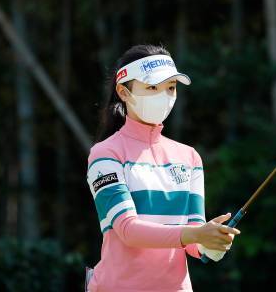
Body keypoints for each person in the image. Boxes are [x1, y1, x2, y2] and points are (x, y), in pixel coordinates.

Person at [85, 44, 241, 292]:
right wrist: (196, 235)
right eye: (151, 87)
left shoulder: (189, 157)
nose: (164, 96)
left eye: (170, 88)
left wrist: (211, 243)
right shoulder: (105, 154)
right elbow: (128, 230)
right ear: (123, 92)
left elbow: (192, 240)